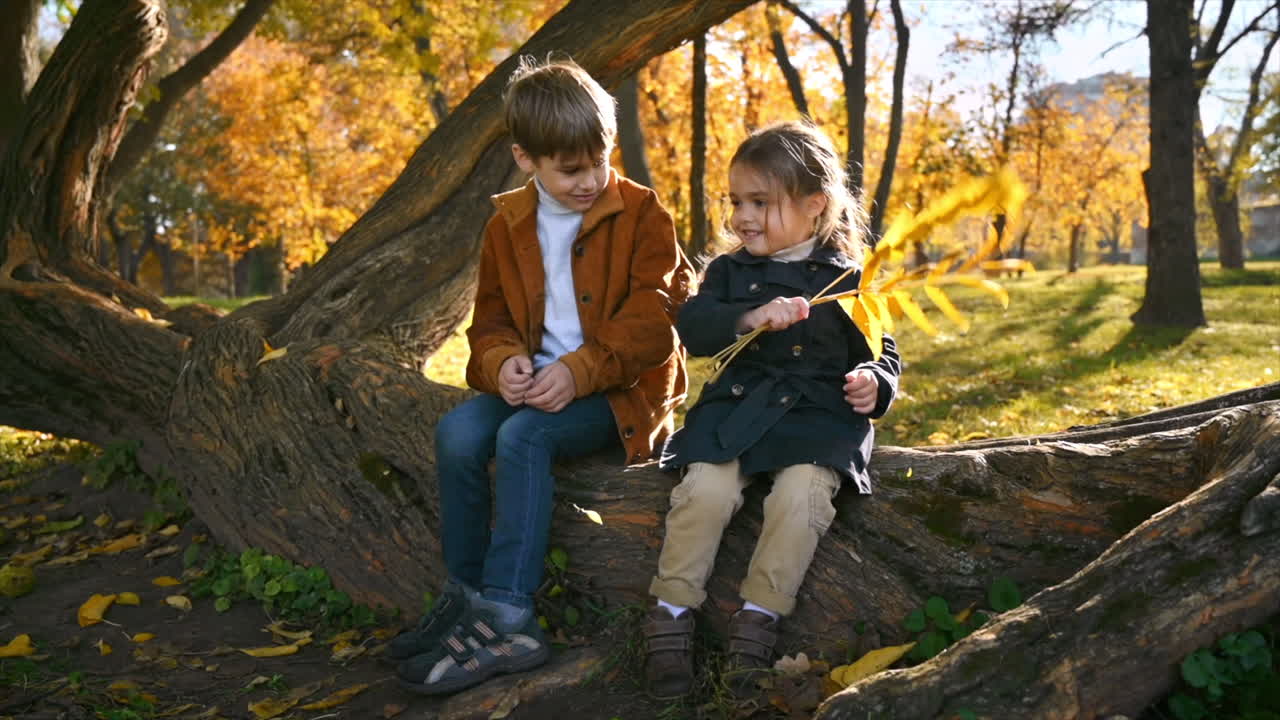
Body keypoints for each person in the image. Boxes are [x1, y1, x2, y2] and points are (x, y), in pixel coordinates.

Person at [393, 56, 694, 696]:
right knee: (458, 434)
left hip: (618, 394)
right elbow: (491, 321)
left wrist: (579, 370)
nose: (591, 180)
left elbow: (652, 322)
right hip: (539, 385)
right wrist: (504, 363)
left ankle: (508, 615)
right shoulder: (507, 226)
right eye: (570, 169)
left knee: (522, 439)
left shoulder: (645, 217)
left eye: (600, 161)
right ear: (526, 159)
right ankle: (468, 594)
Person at [643, 121, 901, 699]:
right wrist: (748, 318)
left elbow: (884, 350)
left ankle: (757, 624)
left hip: (818, 418)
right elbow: (696, 326)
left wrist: (873, 382)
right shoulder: (731, 272)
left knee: (802, 496)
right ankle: (670, 616)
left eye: (761, 202)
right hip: (738, 409)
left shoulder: (853, 279)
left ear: (815, 207)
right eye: (737, 201)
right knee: (704, 492)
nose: (743, 216)